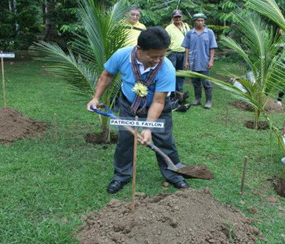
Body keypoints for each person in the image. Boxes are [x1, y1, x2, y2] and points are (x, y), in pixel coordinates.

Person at [86, 27, 189, 194]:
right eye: (153, 56)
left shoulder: (167, 68)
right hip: (129, 106)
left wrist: (148, 127)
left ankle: (174, 175)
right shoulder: (122, 55)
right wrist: (96, 98)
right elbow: (107, 75)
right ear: (139, 49)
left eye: (161, 55)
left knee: (165, 141)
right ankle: (121, 176)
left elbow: (158, 101)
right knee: (125, 141)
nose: (158, 60)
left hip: (158, 109)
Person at [182, 13, 218, 109]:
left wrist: (211, 61)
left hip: (204, 62)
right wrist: (186, 61)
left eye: (202, 20)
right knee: (195, 82)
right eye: (198, 20)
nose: (200, 22)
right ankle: (197, 99)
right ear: (194, 22)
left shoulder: (209, 32)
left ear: (204, 21)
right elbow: (187, 48)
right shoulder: (190, 33)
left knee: (206, 82)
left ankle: (208, 101)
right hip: (193, 62)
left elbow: (212, 48)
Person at [165, 9, 190, 96]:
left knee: (181, 73)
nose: (178, 19)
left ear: (182, 17)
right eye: (176, 17)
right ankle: (171, 92)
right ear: (172, 18)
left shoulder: (186, 26)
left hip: (184, 53)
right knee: (172, 73)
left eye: (179, 16)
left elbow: (189, 39)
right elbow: (165, 40)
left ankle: (179, 91)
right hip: (173, 53)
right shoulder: (169, 28)